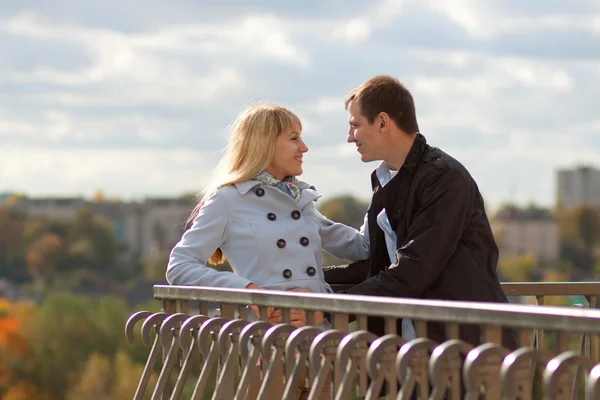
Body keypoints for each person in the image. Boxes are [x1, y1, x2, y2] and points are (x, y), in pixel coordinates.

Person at [323, 75, 516, 349]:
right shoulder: (388, 179)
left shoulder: (445, 178)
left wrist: (327, 307)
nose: (349, 137)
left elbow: (412, 270)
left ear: (382, 122)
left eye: (355, 125)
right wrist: (308, 282)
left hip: (467, 348)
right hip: (420, 346)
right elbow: (377, 267)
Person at [165, 103, 370, 327]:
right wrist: (246, 290)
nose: (304, 148)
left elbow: (362, 247)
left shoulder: (300, 199)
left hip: (320, 336)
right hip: (269, 337)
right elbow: (179, 267)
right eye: (294, 139)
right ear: (265, 144)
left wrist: (384, 190)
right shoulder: (227, 199)